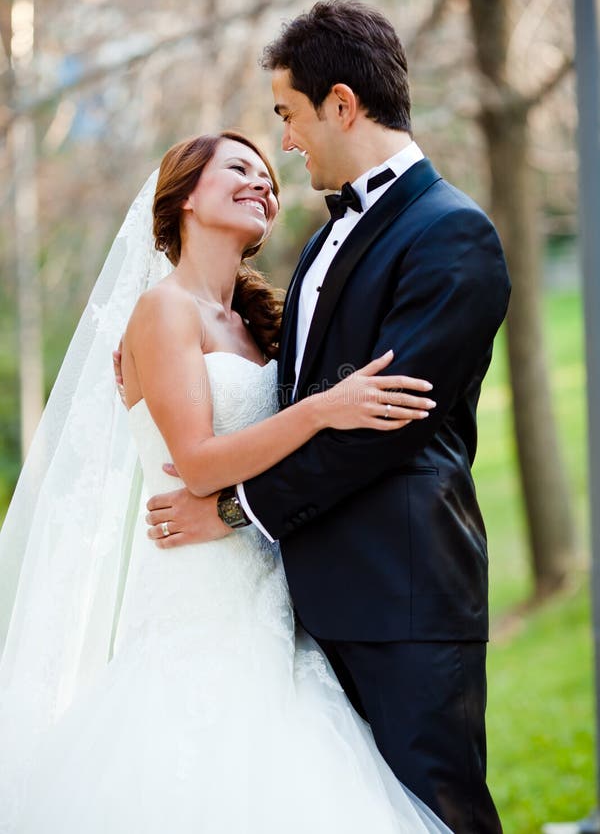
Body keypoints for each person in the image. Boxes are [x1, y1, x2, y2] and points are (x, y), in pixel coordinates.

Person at [0, 129, 449, 833]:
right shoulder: (162, 311)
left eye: (269, 178)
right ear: (182, 196)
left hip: (271, 594)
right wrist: (326, 408)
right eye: (241, 169)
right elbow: (202, 462)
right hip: (196, 594)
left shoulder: (255, 325)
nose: (263, 185)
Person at [138, 1, 511, 833]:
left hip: (402, 595)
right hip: (304, 605)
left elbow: (387, 423)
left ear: (342, 104)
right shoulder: (319, 242)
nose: (286, 142)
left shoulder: (453, 234)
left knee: (435, 814)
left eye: (288, 116)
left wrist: (237, 508)